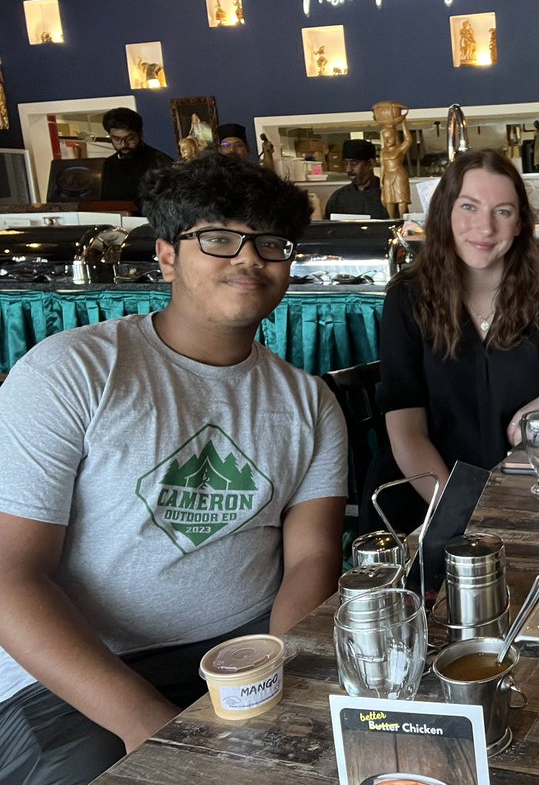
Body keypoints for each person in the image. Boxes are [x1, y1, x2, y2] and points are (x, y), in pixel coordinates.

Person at [0, 153, 348, 784]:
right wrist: (150, 726)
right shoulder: (73, 371)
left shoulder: (309, 401)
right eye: (218, 238)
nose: (248, 259)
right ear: (165, 256)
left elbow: (309, 562)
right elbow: (9, 577)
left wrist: (288, 677)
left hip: (242, 651)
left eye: (270, 243)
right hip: (70, 673)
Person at [369, 148, 539, 528]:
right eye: (469, 207)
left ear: (519, 224)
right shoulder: (408, 298)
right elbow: (407, 433)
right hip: (427, 497)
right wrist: (460, 514)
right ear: (444, 213)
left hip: (524, 489)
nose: (485, 228)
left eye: (502, 211)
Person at [99, 107, 171, 209]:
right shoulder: (105, 166)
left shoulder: (160, 162)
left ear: (140, 134)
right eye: (116, 139)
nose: (123, 144)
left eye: (129, 138)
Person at [325, 139, 387, 219]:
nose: (348, 169)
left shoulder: (388, 194)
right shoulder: (338, 197)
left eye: (354, 163)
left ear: (371, 164)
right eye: (346, 163)